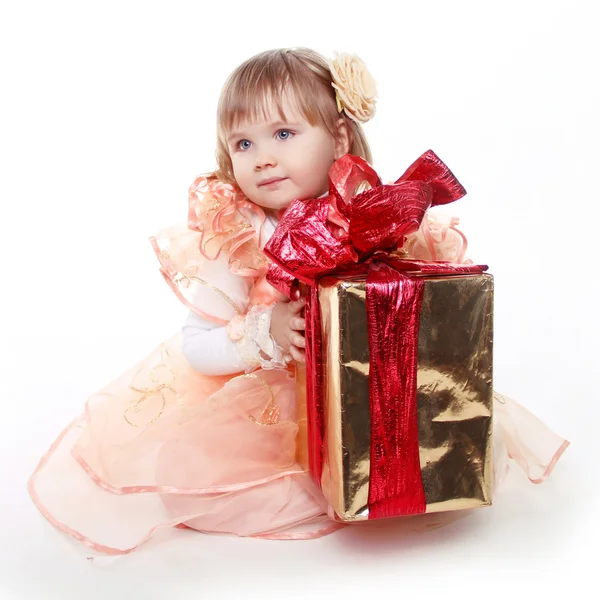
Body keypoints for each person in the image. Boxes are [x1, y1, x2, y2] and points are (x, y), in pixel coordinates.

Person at [28, 48, 569, 555]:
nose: (262, 159)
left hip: (367, 397)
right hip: (275, 407)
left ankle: (391, 473)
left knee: (448, 432)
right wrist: (266, 331)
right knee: (225, 480)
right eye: (243, 144)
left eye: (282, 133)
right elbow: (196, 347)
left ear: (338, 139)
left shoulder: (372, 217)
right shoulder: (242, 236)